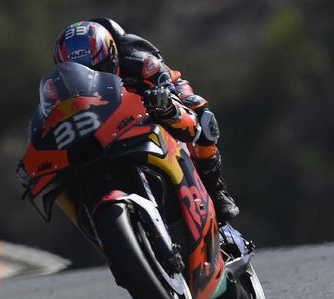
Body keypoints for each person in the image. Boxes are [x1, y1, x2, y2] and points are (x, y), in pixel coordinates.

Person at [48, 18, 239, 222]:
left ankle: (215, 187)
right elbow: (48, 120)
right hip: (106, 124)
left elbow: (186, 121)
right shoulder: (56, 87)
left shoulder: (140, 61)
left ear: (111, 56)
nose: (89, 78)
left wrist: (166, 105)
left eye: (97, 68)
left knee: (201, 113)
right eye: (78, 73)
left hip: (155, 98)